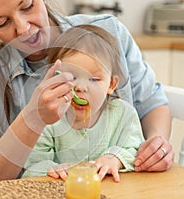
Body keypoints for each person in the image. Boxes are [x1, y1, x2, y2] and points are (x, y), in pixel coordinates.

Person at [0, 0, 173, 182]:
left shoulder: (107, 32)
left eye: (27, 6)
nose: (23, 28)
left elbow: (151, 103)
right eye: (2, 23)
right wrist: (32, 119)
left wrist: (155, 147)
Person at [21, 24, 145, 182]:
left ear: (111, 85)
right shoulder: (48, 118)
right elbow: (32, 166)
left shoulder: (123, 114)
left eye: (94, 79)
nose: (80, 87)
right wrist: (52, 169)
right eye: (71, 77)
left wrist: (115, 158)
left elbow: (136, 150)